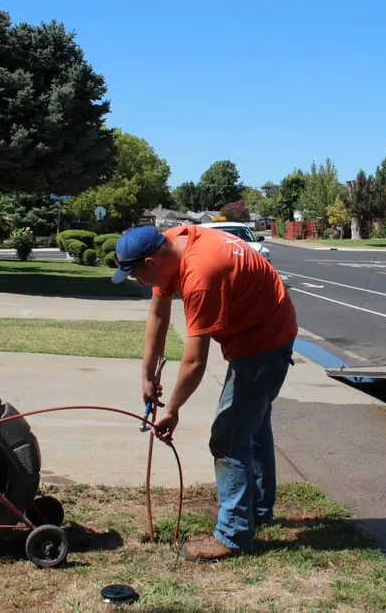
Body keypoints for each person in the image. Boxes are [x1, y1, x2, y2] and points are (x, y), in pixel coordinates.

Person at [111, 223, 298, 562]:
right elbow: (158, 316)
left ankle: (235, 535)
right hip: (256, 330)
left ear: (151, 263)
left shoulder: (201, 274)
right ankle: (254, 509)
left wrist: (173, 408)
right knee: (252, 425)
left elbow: (195, 362)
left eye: (136, 274)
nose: (137, 281)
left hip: (266, 340)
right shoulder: (171, 244)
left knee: (228, 435)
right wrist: (146, 375)